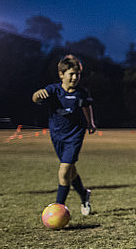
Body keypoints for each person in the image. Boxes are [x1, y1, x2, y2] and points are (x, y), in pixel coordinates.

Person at [32, 55, 96, 215]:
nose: (75, 78)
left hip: (75, 134)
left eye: (78, 74)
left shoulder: (81, 92)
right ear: (61, 74)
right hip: (57, 134)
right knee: (70, 170)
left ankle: (58, 208)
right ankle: (83, 194)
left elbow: (86, 107)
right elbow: (36, 98)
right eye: (71, 74)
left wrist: (91, 123)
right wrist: (37, 94)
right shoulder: (53, 90)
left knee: (63, 171)